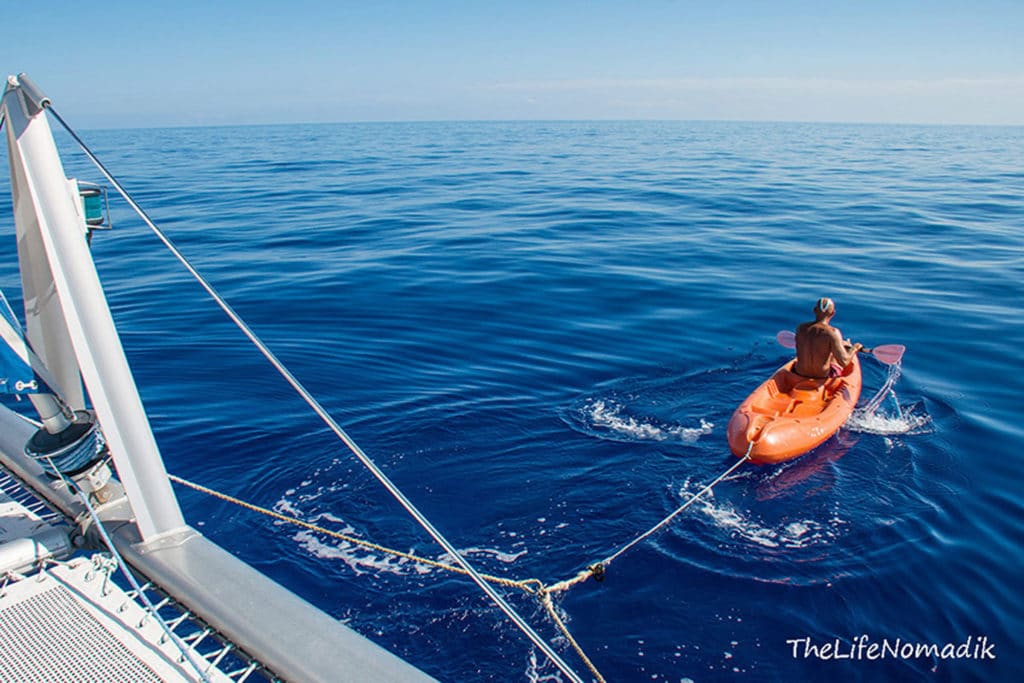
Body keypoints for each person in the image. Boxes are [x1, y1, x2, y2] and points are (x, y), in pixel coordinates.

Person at [793, 297, 862, 379]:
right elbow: (844, 362)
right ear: (833, 313)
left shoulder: (800, 328)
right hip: (822, 376)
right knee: (835, 358)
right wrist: (854, 348)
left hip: (799, 372)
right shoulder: (832, 333)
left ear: (815, 310)